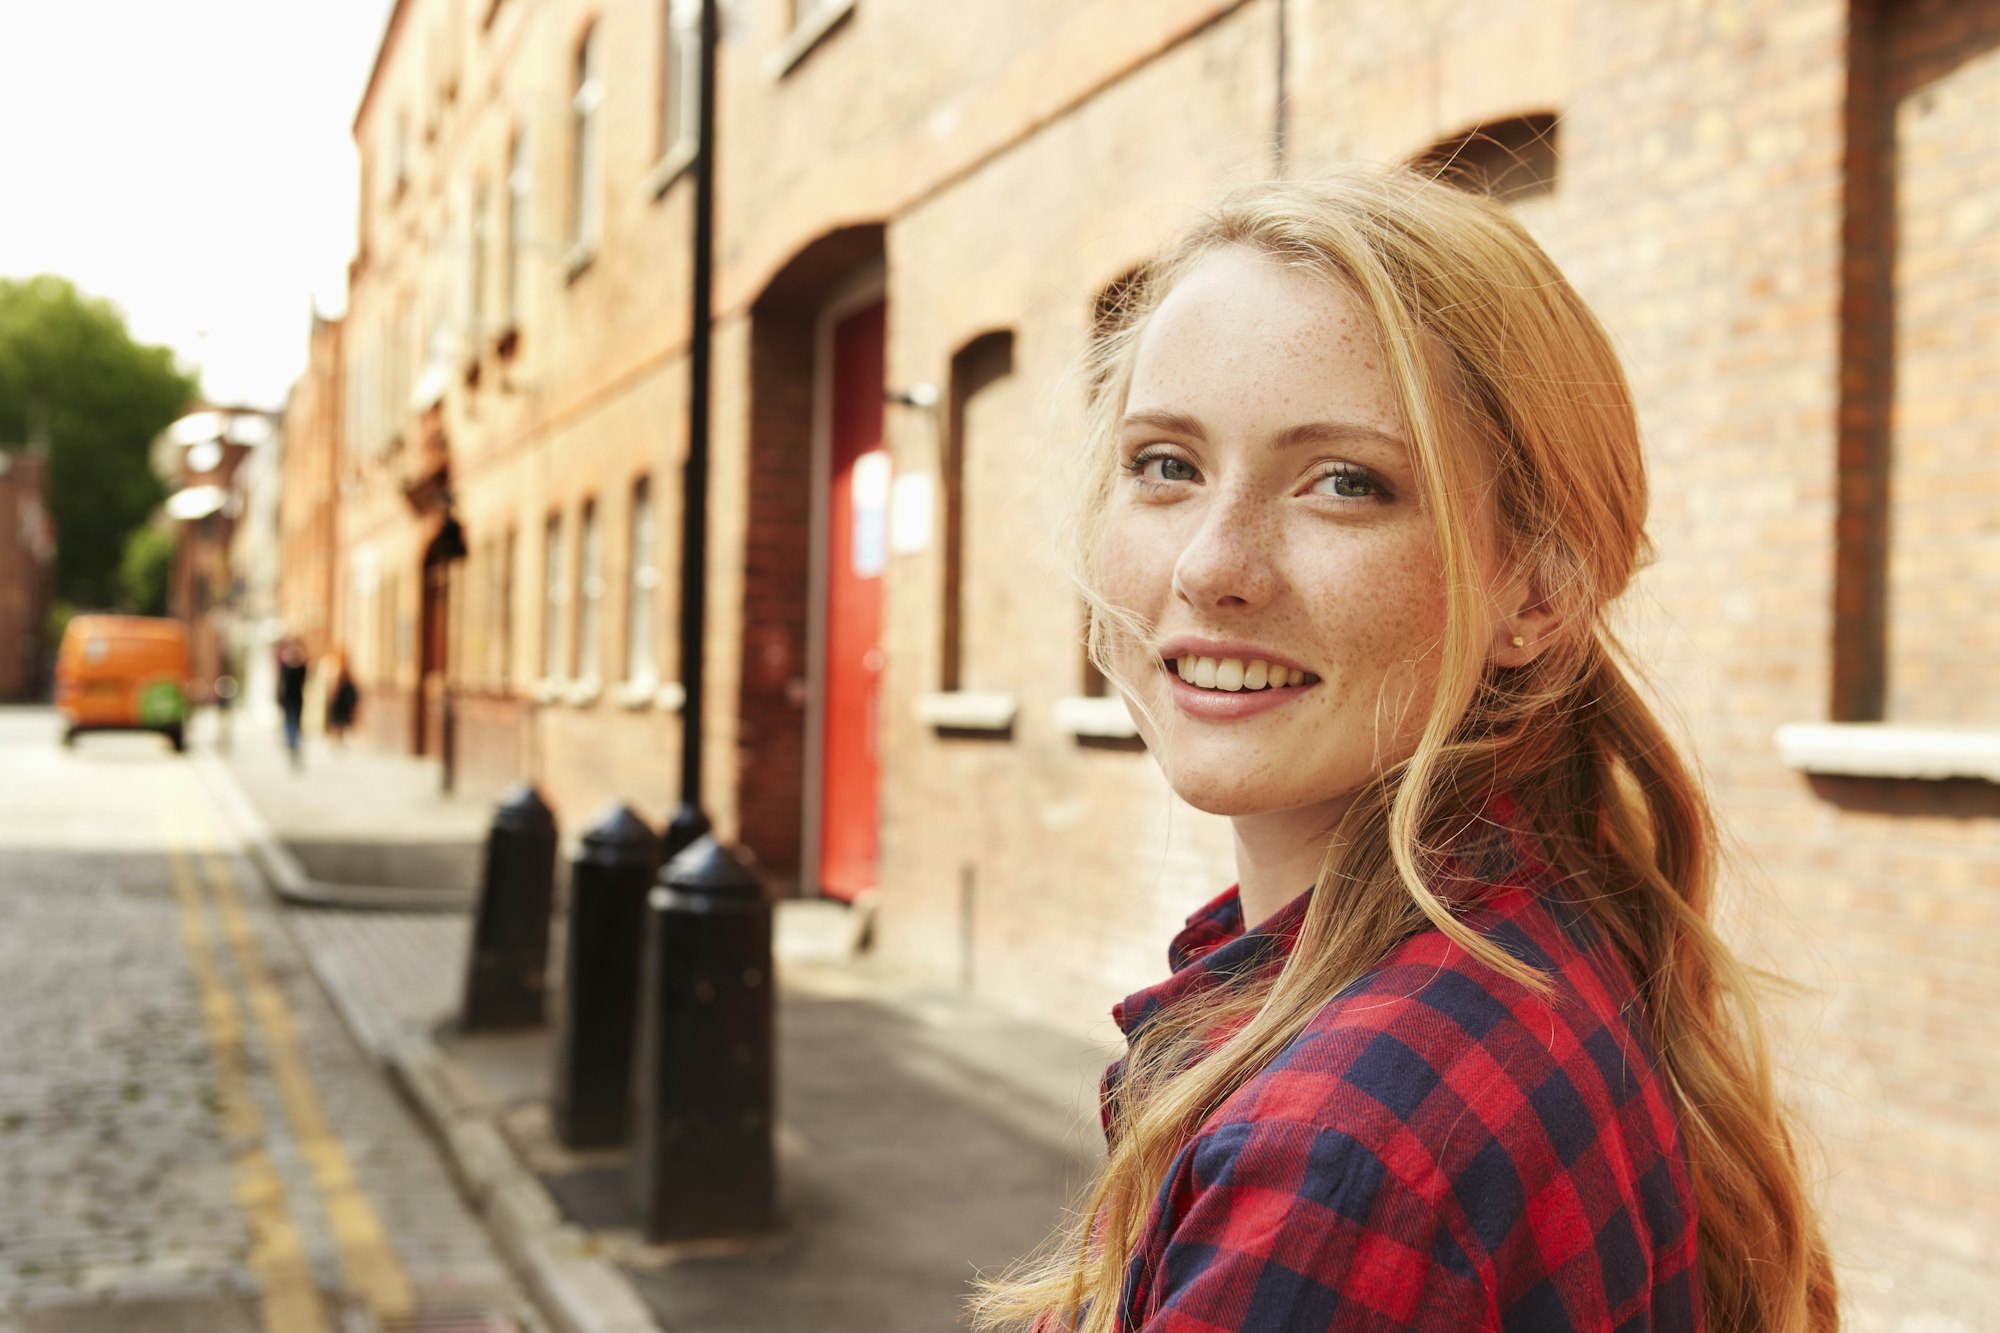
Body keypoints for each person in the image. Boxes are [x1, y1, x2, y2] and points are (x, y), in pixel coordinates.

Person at [974, 169, 1837, 1332]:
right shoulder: (1552, 930)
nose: (1210, 565)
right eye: (1164, 464)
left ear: (1538, 586)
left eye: (1344, 484)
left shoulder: (1342, 1153)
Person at [275, 637, 309, 770]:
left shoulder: (294, 668)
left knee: (292, 723)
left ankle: (293, 744)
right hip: (291, 699)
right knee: (291, 723)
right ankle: (293, 745)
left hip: (293, 699)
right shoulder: (297, 667)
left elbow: (282, 682)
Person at [324, 649, 360, 746]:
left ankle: (339, 738)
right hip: (339, 701)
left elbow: (351, 689)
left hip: (341, 701)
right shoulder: (336, 670)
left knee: (339, 720)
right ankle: (338, 738)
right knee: (338, 720)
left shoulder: (343, 673)